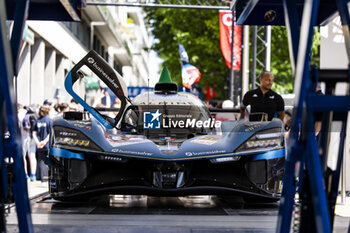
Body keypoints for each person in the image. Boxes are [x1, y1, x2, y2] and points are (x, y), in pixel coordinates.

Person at [33, 105, 51, 182]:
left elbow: (34, 133)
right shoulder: (49, 120)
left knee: (40, 160)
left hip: (39, 144)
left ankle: (40, 177)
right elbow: (50, 133)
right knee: (47, 160)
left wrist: (38, 142)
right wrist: (44, 142)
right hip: (46, 144)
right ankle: (46, 177)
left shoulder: (37, 120)